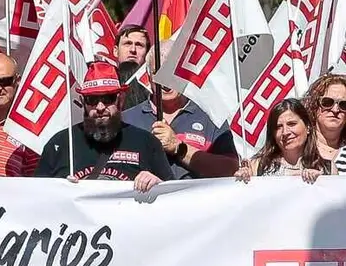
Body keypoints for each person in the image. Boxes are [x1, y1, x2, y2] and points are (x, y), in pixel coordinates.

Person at [33, 60, 173, 192]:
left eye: (108, 99)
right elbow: (39, 197)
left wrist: (157, 184)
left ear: (121, 99)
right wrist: (62, 189)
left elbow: (173, 197)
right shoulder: (60, 144)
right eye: (92, 100)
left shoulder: (146, 142)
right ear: (83, 101)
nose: (100, 107)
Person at [122, 42, 239, 179]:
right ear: (148, 77)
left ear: (185, 74)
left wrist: (179, 148)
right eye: (158, 72)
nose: (165, 81)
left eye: (172, 71)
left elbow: (231, 169)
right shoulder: (126, 120)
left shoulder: (211, 116)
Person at [235, 99, 332, 183]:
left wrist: (323, 182)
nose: (285, 132)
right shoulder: (257, 166)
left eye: (292, 124)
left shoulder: (328, 169)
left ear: (308, 127)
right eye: (278, 127)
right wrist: (242, 179)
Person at [306, 73, 346, 171]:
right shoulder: (296, 147)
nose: (335, 110)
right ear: (314, 106)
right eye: (327, 102)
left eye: (343, 105)